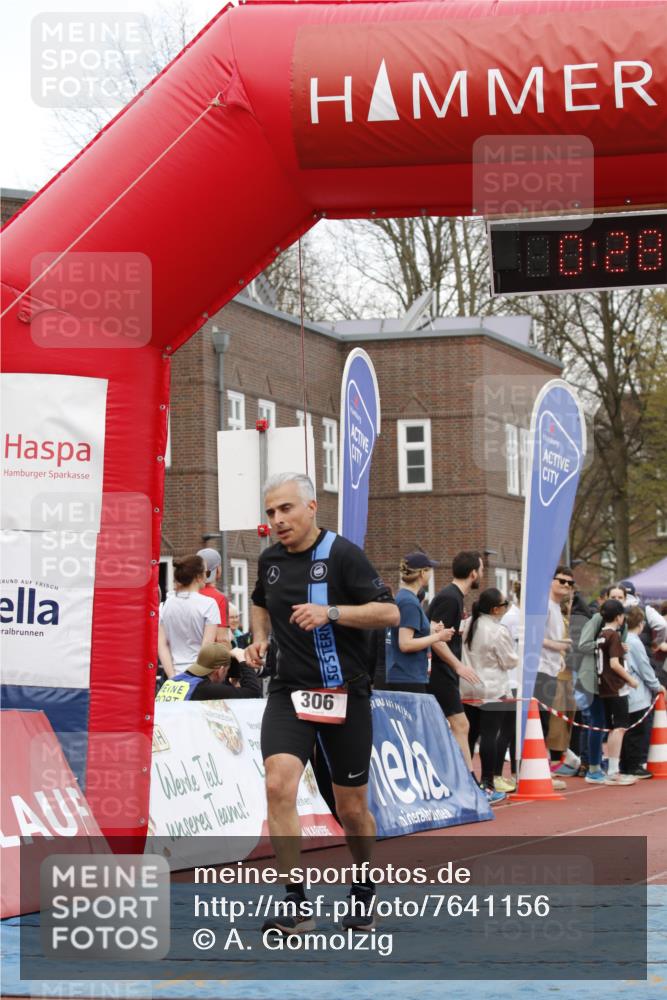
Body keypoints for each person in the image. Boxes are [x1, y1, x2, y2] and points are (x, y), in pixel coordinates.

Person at [245, 472, 399, 935]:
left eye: (286, 509)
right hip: (290, 693)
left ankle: (364, 887)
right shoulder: (269, 560)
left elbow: (388, 612)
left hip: (344, 695)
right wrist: (259, 638)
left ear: (312, 508)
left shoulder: (342, 555)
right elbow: (259, 601)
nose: (277, 520)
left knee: (351, 808)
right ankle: (295, 902)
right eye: (271, 512)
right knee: (278, 785)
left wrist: (331, 612)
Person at [426, 552, 483, 774]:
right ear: (473, 573)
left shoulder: (455, 597)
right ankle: (469, 783)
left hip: (445, 673)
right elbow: (434, 638)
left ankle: (456, 779)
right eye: (481, 570)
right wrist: (457, 666)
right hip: (439, 673)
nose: (482, 574)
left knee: (449, 727)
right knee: (461, 725)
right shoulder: (449, 598)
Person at [460, 588, 517, 803]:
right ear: (495, 609)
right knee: (489, 735)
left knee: (470, 734)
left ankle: (467, 780)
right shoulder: (497, 630)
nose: (506, 608)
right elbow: (510, 660)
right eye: (504, 605)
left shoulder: (468, 624)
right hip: (493, 688)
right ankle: (488, 783)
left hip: (468, 686)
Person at [534, 566, 581, 779]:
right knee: (540, 723)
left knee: (543, 723)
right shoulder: (544, 605)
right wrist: (558, 646)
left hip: (552, 668)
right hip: (539, 670)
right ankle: (535, 771)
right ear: (551, 581)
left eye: (570, 583)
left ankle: (540, 770)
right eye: (562, 581)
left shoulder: (557, 607)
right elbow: (534, 637)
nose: (566, 586)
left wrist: (559, 655)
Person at [386, 552, 453, 693]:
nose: (431, 573)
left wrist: (431, 630)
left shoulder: (405, 598)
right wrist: (438, 637)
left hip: (406, 676)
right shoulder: (409, 602)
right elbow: (405, 644)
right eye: (430, 569)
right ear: (423, 572)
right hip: (407, 677)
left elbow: (410, 633)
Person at [596, 598, 640, 785]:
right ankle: (614, 770)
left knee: (614, 728)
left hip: (604, 685)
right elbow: (614, 664)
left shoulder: (601, 634)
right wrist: (630, 679)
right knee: (619, 728)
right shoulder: (613, 635)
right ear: (620, 617)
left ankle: (612, 768)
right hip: (616, 687)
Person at [620, 606, 665, 778]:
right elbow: (644, 667)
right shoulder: (635, 642)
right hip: (637, 692)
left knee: (627, 729)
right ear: (641, 623)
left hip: (624, 690)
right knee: (637, 730)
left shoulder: (623, 638)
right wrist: (656, 685)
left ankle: (626, 764)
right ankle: (634, 765)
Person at [158, 555, 220, 678]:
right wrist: (195, 676)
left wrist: (172, 677)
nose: (207, 577)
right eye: (206, 573)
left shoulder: (164, 605)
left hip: (173, 674)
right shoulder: (209, 604)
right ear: (198, 577)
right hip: (198, 675)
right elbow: (207, 646)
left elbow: (162, 645)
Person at [155, 641, 261, 701]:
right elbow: (253, 692)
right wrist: (242, 660)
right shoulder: (204, 689)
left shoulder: (173, 681)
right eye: (227, 671)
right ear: (220, 670)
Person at [197, 547, 230, 642]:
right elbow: (221, 639)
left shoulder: (185, 595)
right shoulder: (220, 598)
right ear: (218, 570)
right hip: (207, 655)